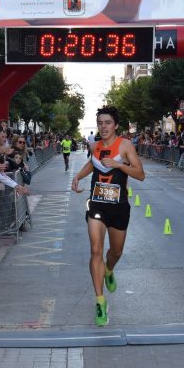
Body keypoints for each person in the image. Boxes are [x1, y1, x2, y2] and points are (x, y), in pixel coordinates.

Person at [71, 106, 145, 327]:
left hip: (119, 207)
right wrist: (78, 176)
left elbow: (141, 174)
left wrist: (119, 165)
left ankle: (109, 269)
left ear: (116, 125)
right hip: (97, 204)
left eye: (108, 123)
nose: (103, 127)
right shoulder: (94, 146)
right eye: (100, 123)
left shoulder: (125, 146)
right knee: (95, 250)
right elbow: (92, 164)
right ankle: (100, 302)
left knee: (115, 252)